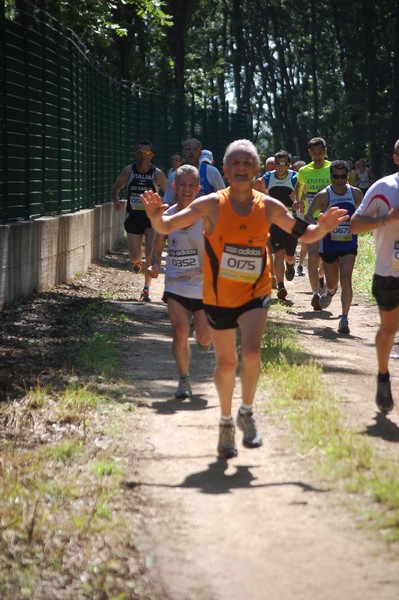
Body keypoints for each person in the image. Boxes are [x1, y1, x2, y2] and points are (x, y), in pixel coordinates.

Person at [141, 139, 348, 459]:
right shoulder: (210, 204)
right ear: (225, 170)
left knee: (250, 355)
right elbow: (167, 224)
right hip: (219, 294)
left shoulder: (267, 206)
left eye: (246, 163)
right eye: (234, 163)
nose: (240, 167)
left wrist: (323, 226)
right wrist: (155, 217)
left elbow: (304, 235)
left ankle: (247, 413)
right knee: (226, 362)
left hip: (256, 291)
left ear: (255, 172)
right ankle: (225, 421)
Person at [148, 164, 212, 399]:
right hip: (175, 282)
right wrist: (155, 264)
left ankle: (205, 339)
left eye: (191, 185)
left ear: (198, 188)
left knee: (204, 337)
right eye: (182, 184)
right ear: (174, 186)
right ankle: (183, 379)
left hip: (204, 284)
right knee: (179, 331)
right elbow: (157, 248)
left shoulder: (206, 215)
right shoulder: (167, 215)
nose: (186, 189)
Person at [350, 139, 399, 414]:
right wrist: (386, 220)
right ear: (396, 158)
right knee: (390, 329)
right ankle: (383, 375)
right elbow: (355, 225)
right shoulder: (383, 188)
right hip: (389, 273)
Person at [306, 160, 362, 334]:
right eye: (336, 177)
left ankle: (344, 319)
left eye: (343, 176)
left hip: (348, 242)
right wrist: (321, 225)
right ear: (330, 176)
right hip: (329, 244)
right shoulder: (323, 195)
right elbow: (308, 216)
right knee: (332, 283)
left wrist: (357, 224)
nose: (340, 180)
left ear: (348, 176)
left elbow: (362, 214)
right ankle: (330, 292)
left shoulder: (355, 194)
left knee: (346, 278)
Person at [111, 140, 168, 302]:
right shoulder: (128, 171)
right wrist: (116, 201)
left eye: (147, 153)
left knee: (150, 253)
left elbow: (170, 193)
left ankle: (146, 289)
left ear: (152, 155)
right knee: (135, 256)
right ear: (136, 154)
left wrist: (164, 205)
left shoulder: (157, 174)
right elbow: (115, 189)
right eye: (140, 153)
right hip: (133, 218)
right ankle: (136, 261)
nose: (143, 156)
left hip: (151, 219)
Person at [254, 150, 298, 301]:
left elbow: (303, 199)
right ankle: (281, 286)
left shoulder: (295, 178)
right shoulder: (267, 178)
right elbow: (255, 193)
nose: (280, 167)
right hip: (274, 221)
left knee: (289, 255)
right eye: (277, 163)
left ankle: (291, 265)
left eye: (283, 164)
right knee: (278, 253)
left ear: (289, 165)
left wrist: (297, 199)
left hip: (292, 219)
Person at [295, 137, 332, 310]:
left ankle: (322, 276)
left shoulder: (333, 168)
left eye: (320, 153)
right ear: (309, 153)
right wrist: (299, 200)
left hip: (329, 219)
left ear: (325, 151)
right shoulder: (304, 171)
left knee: (328, 257)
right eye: (314, 153)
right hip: (310, 218)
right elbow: (298, 186)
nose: (317, 157)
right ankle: (315, 294)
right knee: (313, 254)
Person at [163, 138, 225, 205]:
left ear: (200, 153)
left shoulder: (211, 171)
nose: (191, 152)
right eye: (188, 149)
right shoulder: (175, 175)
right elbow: (168, 201)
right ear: (183, 152)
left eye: (195, 149)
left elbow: (223, 197)